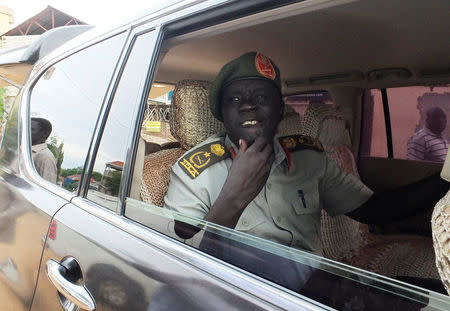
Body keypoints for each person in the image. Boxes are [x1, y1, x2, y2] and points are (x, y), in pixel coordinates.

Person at [163, 52, 449, 301]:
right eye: (235, 98)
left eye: (261, 97)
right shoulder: (195, 172)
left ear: (279, 110)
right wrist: (232, 197)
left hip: (316, 287)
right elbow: (178, 270)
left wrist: (444, 180)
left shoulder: (307, 157)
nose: (248, 105)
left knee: (431, 296)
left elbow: (374, 209)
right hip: (245, 295)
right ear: (223, 114)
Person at [31, 117, 57, 183]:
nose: (26, 132)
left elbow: (47, 186)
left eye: (31, 129)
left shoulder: (46, 157)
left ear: (44, 134)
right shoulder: (24, 149)